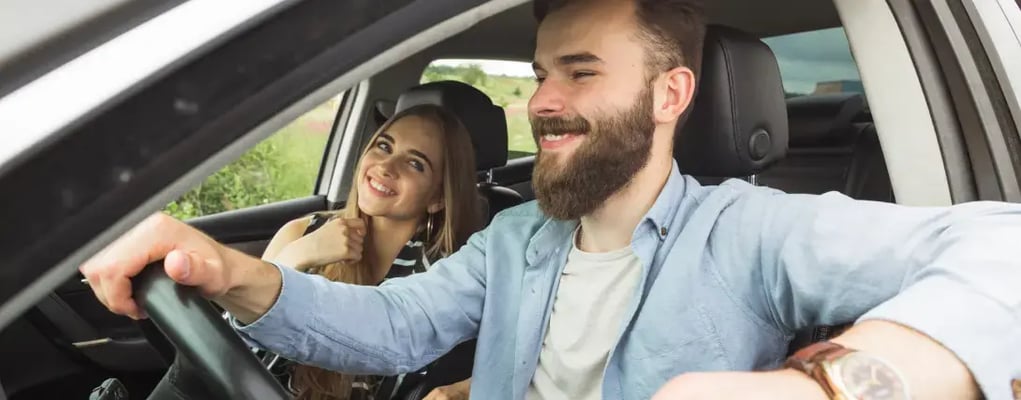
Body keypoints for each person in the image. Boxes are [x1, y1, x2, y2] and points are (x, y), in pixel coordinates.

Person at [80, 0, 1021, 399]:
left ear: (669, 96)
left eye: (579, 72)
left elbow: (1003, 246)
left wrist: (826, 384)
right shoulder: (518, 237)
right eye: (539, 74)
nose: (542, 102)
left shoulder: (748, 229)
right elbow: (390, 327)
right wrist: (230, 273)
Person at [250, 103, 484, 400]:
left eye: (415, 164)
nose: (386, 167)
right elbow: (235, 355)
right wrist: (298, 256)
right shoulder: (300, 234)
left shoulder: (445, 281)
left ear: (436, 198)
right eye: (384, 146)